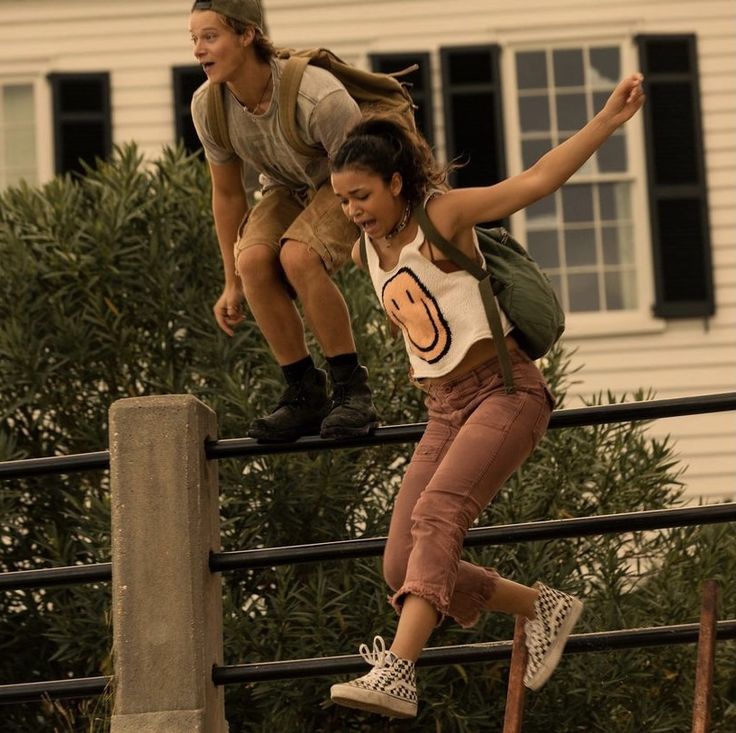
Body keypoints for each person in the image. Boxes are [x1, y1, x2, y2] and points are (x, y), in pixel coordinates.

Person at [328, 73, 646, 718]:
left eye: (361, 195)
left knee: (438, 518)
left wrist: (607, 121)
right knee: (399, 566)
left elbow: (534, 181)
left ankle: (398, 669)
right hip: (442, 408)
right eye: (341, 201)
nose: (352, 210)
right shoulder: (368, 246)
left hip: (504, 392)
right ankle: (541, 606)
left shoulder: (441, 215)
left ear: (395, 183)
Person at [188, 0, 378, 442]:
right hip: (284, 186)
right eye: (193, 39)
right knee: (252, 262)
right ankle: (303, 393)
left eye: (210, 36)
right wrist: (229, 281)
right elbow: (228, 194)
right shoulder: (209, 106)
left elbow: (367, 177)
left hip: (345, 180)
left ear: (247, 34)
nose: (199, 49)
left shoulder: (318, 96)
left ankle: (352, 392)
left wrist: (387, 262)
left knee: (298, 255)